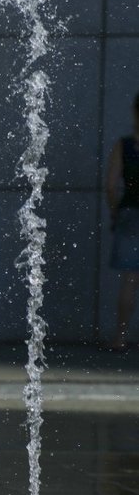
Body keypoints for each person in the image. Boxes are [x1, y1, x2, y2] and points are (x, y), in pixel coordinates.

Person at [104, 92, 139, 350]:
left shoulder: (125, 145)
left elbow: (111, 185)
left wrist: (116, 210)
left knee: (130, 279)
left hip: (130, 214)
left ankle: (121, 338)